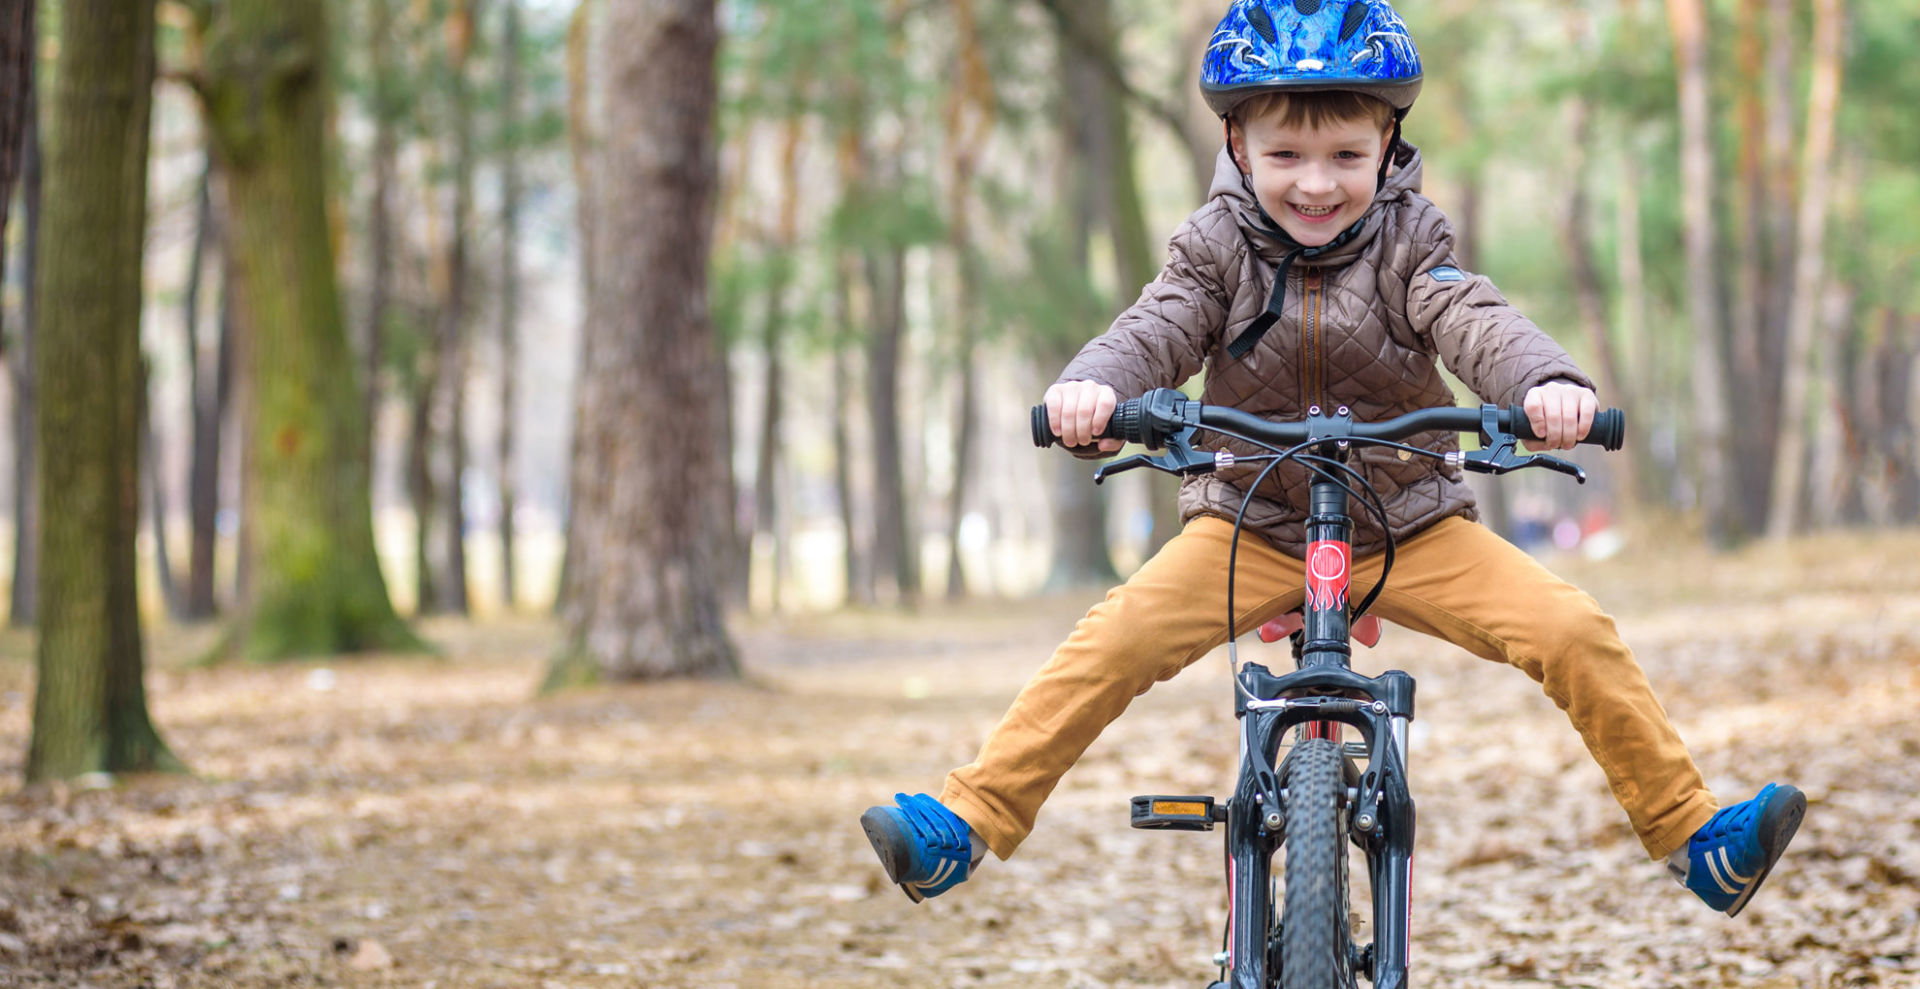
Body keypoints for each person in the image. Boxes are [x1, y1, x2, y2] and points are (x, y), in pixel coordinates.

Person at [859, 0, 1803, 918]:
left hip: (1409, 524)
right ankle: (966, 822)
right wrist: (1093, 389)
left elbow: (1474, 318)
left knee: (1572, 631)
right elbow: (1156, 327)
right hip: (1251, 523)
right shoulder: (1213, 249)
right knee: (1111, 643)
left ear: (1388, 145)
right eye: (1286, 156)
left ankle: (1693, 837)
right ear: (1237, 147)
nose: (1318, 183)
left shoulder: (1410, 242)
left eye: (1347, 155)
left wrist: (1548, 384)